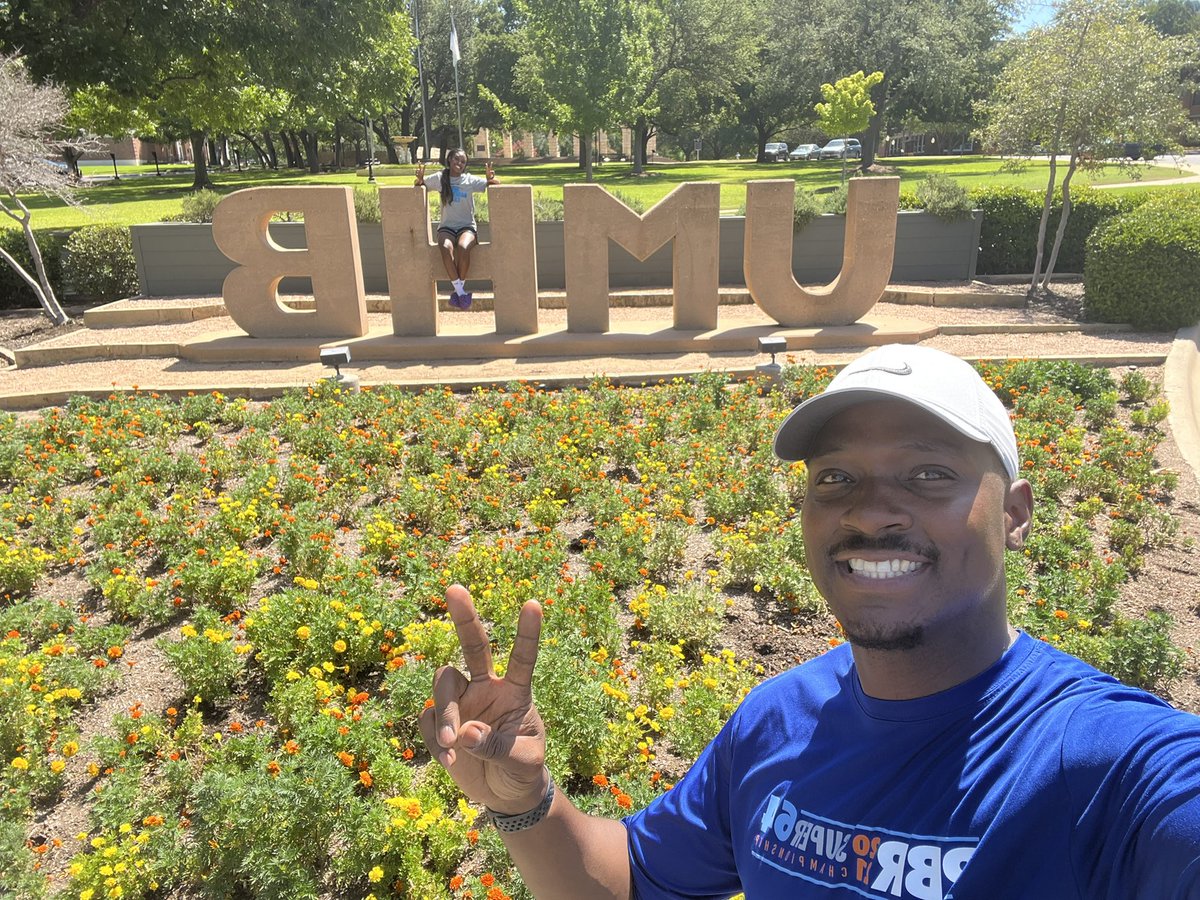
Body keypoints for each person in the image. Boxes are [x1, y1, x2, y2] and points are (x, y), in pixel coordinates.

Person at [419, 344, 1200, 899]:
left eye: (930, 473)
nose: (870, 509)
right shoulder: (777, 721)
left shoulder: (1105, 765)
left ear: (1017, 515)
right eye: (836, 478)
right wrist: (521, 799)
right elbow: (630, 878)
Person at [414, 149, 497, 309]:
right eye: (457, 160)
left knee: (463, 247)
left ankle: (458, 292)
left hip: (467, 227)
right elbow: (420, 185)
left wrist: (490, 179)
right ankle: (461, 293)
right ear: (450, 159)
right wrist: (419, 179)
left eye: (463, 162)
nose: (459, 164)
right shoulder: (440, 178)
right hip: (447, 227)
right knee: (445, 247)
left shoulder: (469, 180)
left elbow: (492, 185)